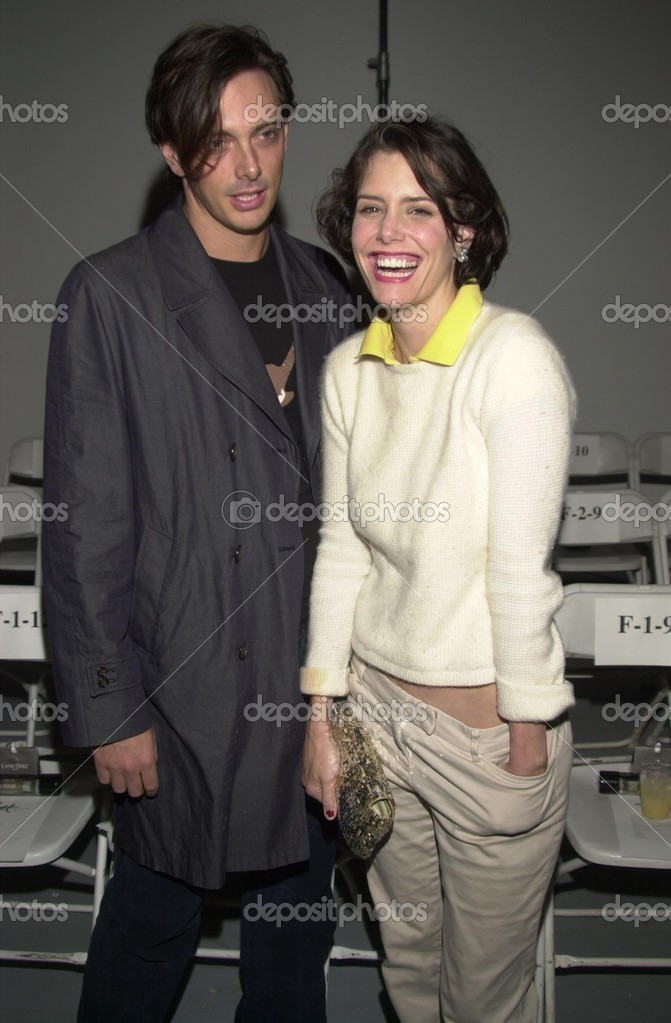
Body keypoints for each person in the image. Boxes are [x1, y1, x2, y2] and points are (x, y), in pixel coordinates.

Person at [42, 23, 352, 1023]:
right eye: (214, 141)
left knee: (290, 961)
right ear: (172, 150)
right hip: (182, 692)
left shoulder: (330, 291)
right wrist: (108, 707)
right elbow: (82, 525)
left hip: (311, 696)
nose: (246, 165)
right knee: (147, 936)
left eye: (263, 133)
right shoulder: (109, 296)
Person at [301, 116, 576, 1023]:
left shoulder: (513, 358)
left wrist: (526, 733)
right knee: (410, 973)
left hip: (485, 739)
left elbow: (517, 568)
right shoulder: (347, 370)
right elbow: (340, 549)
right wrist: (322, 713)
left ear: (462, 229)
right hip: (376, 717)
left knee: (484, 997)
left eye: (417, 210)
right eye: (369, 209)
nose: (388, 233)